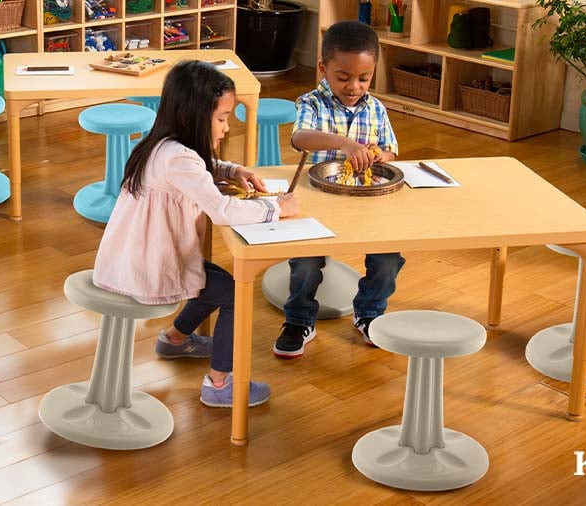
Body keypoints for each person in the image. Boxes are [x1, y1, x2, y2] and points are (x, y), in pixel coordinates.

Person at [93, 60, 301, 407]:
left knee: (211, 280)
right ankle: (219, 385)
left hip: (138, 258)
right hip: (151, 267)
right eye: (221, 118)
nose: (226, 127)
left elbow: (201, 168)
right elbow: (222, 211)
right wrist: (277, 208)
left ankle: (175, 339)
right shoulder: (180, 160)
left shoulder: (162, 145)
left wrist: (233, 169)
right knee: (233, 293)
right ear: (193, 115)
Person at [274, 20, 403, 359]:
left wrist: (378, 154)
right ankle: (299, 319)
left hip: (367, 200)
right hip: (319, 199)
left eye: (364, 78)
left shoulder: (376, 108)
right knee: (304, 264)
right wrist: (344, 143)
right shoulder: (311, 103)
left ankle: (370, 312)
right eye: (343, 77)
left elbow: (391, 151)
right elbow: (300, 137)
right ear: (323, 69)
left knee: (389, 258)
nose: (354, 86)